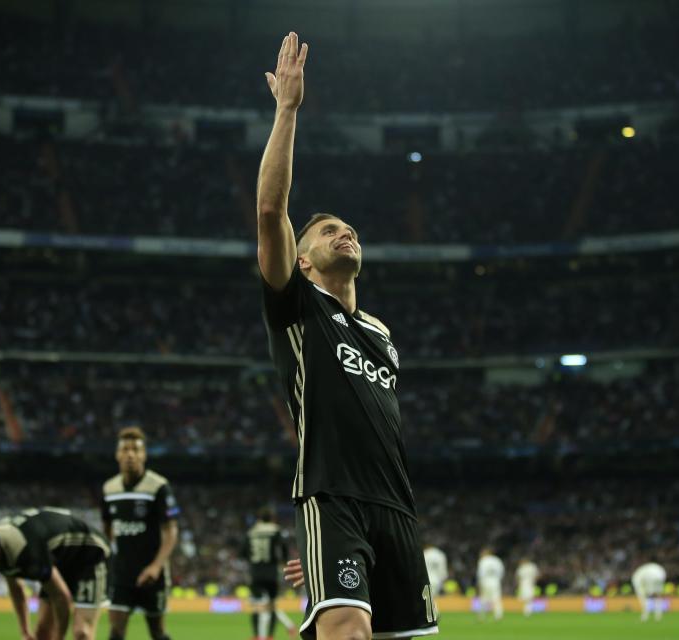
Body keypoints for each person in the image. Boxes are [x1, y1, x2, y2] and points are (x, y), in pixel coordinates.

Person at [257, 31, 439, 639]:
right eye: (328, 230)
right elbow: (270, 212)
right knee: (346, 633)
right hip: (332, 498)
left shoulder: (382, 334)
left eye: (350, 228)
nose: (345, 232)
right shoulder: (297, 306)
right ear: (302, 260)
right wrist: (287, 110)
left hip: (398, 514)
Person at [0, 508, 110, 640]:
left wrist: (59, 637)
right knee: (42, 633)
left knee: (82, 633)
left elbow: (62, 597)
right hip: (59, 560)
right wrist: (25, 631)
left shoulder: (24, 548)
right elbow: (16, 589)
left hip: (88, 554)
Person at [101, 426, 179, 640]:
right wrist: (113, 555)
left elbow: (171, 531)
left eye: (135, 449)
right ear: (117, 455)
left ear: (144, 454)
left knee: (158, 633)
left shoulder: (158, 487)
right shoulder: (109, 489)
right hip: (121, 574)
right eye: (125, 449)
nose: (130, 454)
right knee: (115, 633)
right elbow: (107, 526)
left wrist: (156, 566)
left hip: (152, 575)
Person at [242, 508, 295, 639]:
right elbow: (283, 548)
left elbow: (242, 552)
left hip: (255, 573)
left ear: (259, 518)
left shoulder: (252, 532)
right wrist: (282, 561)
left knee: (255, 607)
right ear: (272, 518)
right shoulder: (275, 530)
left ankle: (256, 636)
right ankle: (270, 636)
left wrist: (252, 561)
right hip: (271, 572)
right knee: (272, 606)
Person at [476, 548, 504, 621]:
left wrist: (479, 583)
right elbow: (501, 572)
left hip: (485, 581)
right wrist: (498, 579)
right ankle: (498, 615)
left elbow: (480, 573)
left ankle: (481, 616)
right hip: (495, 581)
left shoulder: (483, 560)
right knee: (496, 598)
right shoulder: (497, 560)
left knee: (483, 598)